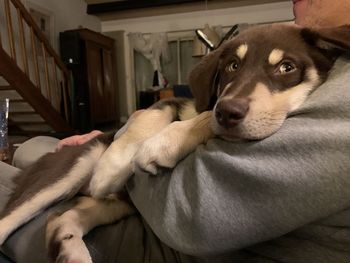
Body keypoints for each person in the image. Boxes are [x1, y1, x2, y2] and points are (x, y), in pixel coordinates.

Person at [1, 0, 350, 262]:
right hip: (143, 201)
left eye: (286, 67)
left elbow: (192, 214)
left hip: (162, 236)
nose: (297, 1)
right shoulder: (326, 68)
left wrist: (122, 147)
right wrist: (131, 131)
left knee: (28, 166)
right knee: (41, 147)